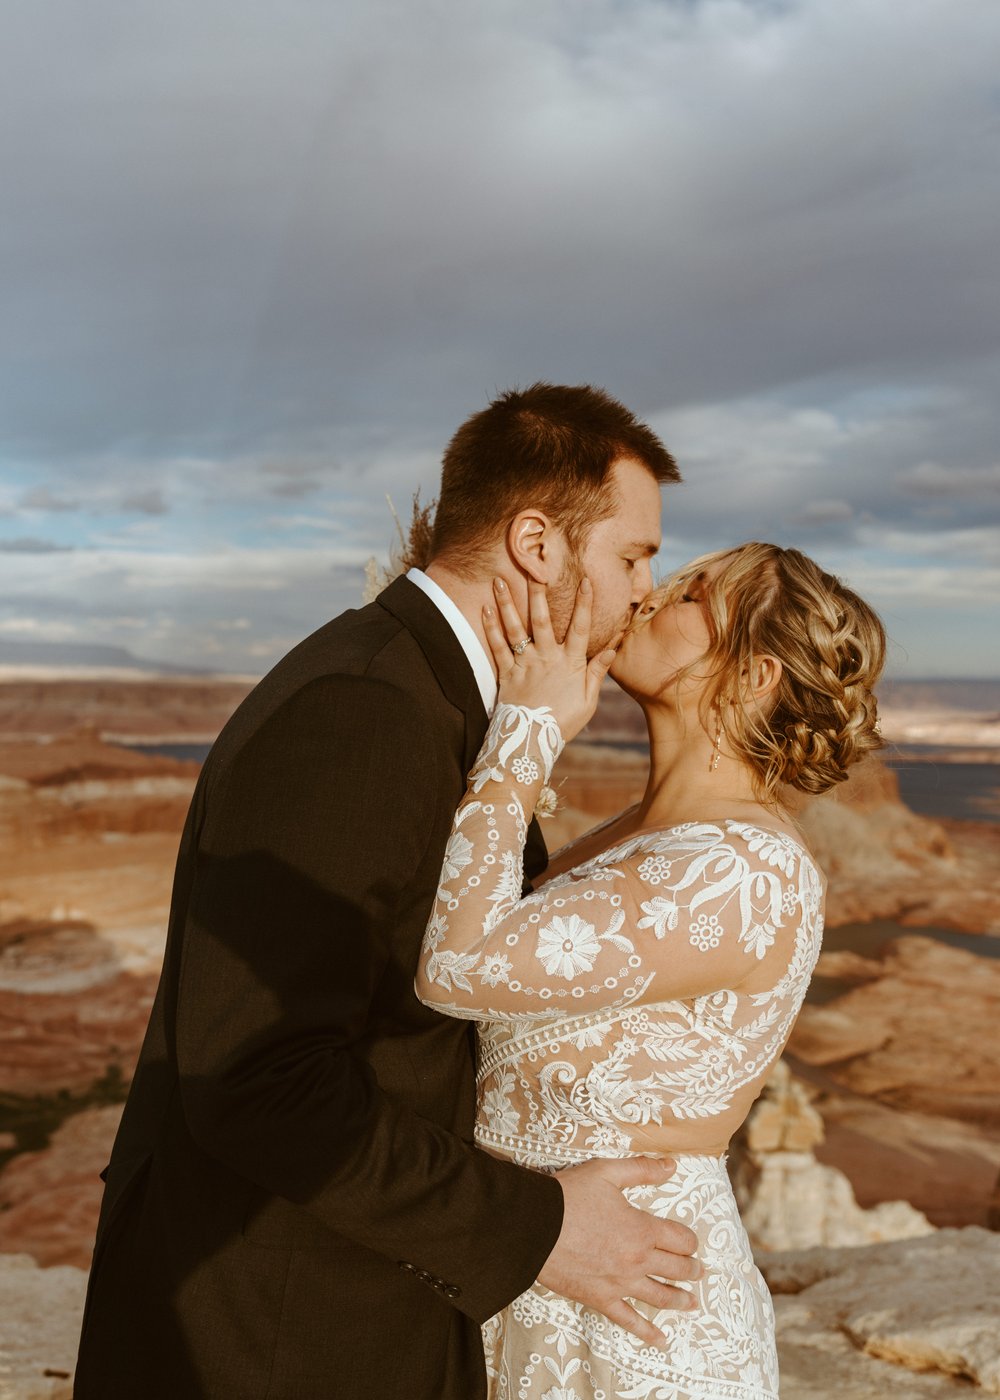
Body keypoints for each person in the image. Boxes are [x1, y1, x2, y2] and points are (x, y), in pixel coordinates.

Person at [73, 383, 704, 1400]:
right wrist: (536, 1225)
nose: (645, 589)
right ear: (537, 543)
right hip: (275, 1334)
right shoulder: (364, 712)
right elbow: (258, 1075)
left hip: (346, 1306)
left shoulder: (431, 697)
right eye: (633, 555)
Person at [415, 542, 886, 1399]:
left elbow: (457, 965)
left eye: (693, 597)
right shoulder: (635, 835)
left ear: (753, 677)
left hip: (636, 1304)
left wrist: (528, 727)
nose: (648, 599)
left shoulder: (744, 870)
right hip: (539, 1266)